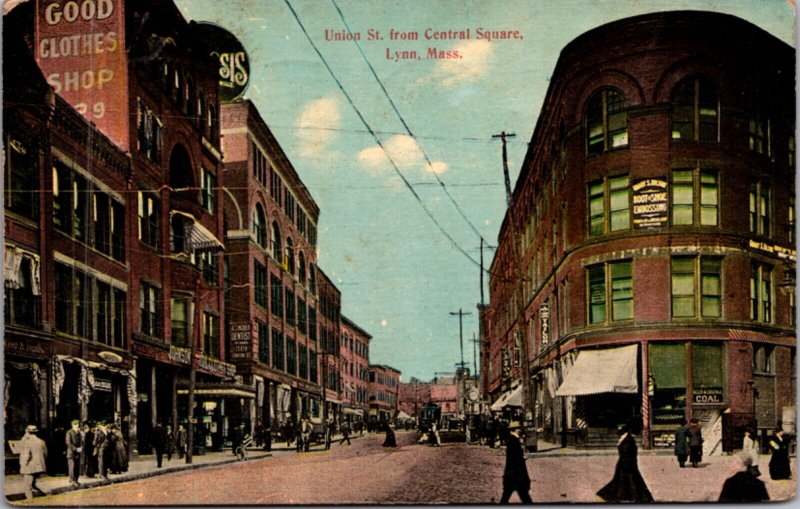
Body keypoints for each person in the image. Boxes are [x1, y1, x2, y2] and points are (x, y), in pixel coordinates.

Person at [596, 424, 653, 503]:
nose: (618, 431)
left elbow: (628, 453)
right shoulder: (624, 438)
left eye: (620, 429)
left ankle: (640, 497)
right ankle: (634, 497)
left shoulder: (628, 440)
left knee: (629, 481)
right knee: (625, 481)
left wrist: (626, 464)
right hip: (624, 464)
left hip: (627, 465)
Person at [499, 421, 533, 504]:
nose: (520, 430)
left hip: (512, 474)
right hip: (516, 474)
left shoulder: (513, 439)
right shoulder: (513, 440)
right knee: (524, 496)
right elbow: (514, 457)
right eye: (519, 428)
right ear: (514, 430)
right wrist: (522, 458)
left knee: (509, 496)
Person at [19, 425, 48, 500]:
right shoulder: (41, 441)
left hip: (29, 466)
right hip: (39, 466)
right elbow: (45, 454)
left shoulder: (27, 442)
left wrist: (23, 465)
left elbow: (26, 455)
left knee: (27, 485)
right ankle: (45, 492)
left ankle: (30, 500)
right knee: (33, 483)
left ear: (27, 432)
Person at [65, 419, 83, 486]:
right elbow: (68, 442)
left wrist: (81, 447)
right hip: (71, 452)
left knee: (77, 467)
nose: (77, 425)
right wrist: (76, 449)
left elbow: (81, 441)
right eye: (75, 424)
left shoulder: (79, 432)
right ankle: (72, 480)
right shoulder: (69, 432)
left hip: (78, 452)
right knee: (72, 467)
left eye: (78, 424)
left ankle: (76, 480)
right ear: (72, 425)